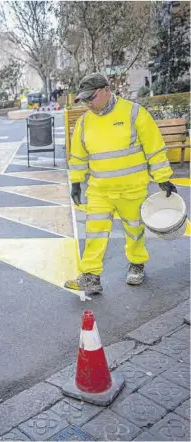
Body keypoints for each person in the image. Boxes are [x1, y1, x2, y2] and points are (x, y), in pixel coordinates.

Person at [65, 73, 177, 293]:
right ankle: (91, 276)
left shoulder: (134, 113)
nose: (88, 103)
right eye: (85, 99)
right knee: (94, 233)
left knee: (135, 231)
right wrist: (76, 183)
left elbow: (154, 148)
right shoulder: (84, 122)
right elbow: (78, 157)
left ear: (107, 90)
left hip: (132, 189)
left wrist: (162, 177)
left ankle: (137, 264)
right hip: (100, 191)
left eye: (91, 97)